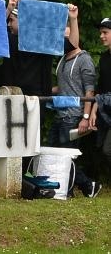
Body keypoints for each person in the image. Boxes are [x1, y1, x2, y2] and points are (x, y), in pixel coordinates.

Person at [49, 10, 102, 198]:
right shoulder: (63, 59)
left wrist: (85, 117)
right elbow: (63, 87)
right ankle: (86, 186)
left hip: (74, 115)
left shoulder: (84, 59)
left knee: (65, 155)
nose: (64, 40)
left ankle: (78, 187)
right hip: (59, 114)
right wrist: (44, 90)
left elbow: (90, 91)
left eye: (67, 36)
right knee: (54, 153)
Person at [90, 17, 111, 172]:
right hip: (106, 112)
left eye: (105, 32)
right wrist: (93, 111)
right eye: (100, 33)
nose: (101, 36)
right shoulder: (104, 58)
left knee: (107, 149)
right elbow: (100, 89)